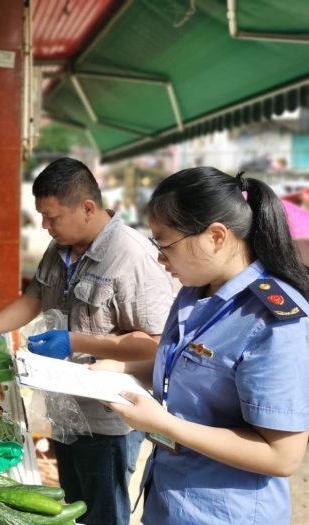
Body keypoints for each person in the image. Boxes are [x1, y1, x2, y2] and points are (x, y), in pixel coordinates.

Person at [0, 157, 173, 525]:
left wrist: (75, 340)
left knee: (102, 515)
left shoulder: (131, 255)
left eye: (53, 218)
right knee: (68, 509)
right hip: (64, 410)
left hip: (107, 416)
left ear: (87, 208)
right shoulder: (62, 247)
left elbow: (158, 344)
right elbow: (32, 299)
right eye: (42, 218)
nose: (46, 227)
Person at [97, 167, 309, 524]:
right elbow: (183, 370)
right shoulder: (195, 292)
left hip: (224, 513)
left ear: (215, 237)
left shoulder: (274, 319)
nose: (161, 260)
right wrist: (118, 369)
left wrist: (165, 424)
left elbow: (282, 456)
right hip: (168, 498)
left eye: (166, 245)